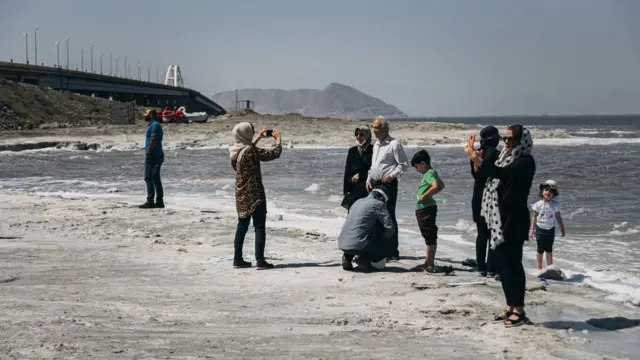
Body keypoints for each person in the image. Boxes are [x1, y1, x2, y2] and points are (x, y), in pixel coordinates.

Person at [464, 124, 536, 328]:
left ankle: (519, 310)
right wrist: (473, 159)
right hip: (498, 217)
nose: (507, 142)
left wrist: (473, 156)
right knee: (502, 264)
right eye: (505, 139)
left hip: (514, 219)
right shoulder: (504, 157)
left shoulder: (525, 161)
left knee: (513, 263)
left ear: (522, 141)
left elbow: (499, 174)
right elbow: (482, 175)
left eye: (511, 139)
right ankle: (510, 306)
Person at [230, 122, 283, 270]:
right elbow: (273, 153)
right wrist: (278, 139)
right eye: (251, 132)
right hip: (255, 193)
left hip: (241, 193)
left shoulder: (235, 151)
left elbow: (249, 148)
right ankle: (260, 260)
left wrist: (258, 138)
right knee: (259, 227)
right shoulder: (250, 151)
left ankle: (237, 259)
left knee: (242, 227)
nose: (253, 133)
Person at [365, 116, 409, 260]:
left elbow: (403, 165)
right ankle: (379, 248)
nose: (374, 130)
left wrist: (392, 175)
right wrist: (368, 178)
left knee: (388, 215)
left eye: (376, 127)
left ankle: (392, 251)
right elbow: (374, 165)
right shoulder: (376, 145)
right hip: (375, 183)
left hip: (388, 184)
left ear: (385, 128)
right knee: (375, 216)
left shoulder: (394, 144)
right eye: (373, 127)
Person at [338, 185, 395, 272]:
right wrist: (386, 244)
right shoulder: (378, 204)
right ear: (382, 199)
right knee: (381, 229)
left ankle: (347, 257)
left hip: (343, 243)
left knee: (358, 228)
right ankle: (365, 258)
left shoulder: (357, 201)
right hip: (359, 245)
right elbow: (389, 227)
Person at [471, 126, 501, 278]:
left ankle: (480, 266)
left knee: (481, 234)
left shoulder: (476, 154)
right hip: (491, 197)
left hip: (477, 196)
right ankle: (491, 268)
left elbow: (476, 175)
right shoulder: (497, 154)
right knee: (493, 234)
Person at [411, 149, 447, 273]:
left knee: (429, 236)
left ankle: (429, 264)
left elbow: (436, 186)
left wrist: (424, 196)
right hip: (427, 208)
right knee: (429, 236)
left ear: (423, 164)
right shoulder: (432, 172)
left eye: (417, 167)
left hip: (425, 208)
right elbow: (441, 185)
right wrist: (430, 195)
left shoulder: (429, 173)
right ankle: (428, 263)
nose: (417, 170)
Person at [530, 180, 565, 272]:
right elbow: (534, 217)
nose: (548, 192)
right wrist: (532, 229)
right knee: (540, 249)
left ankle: (550, 267)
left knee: (549, 250)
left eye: (551, 191)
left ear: (554, 195)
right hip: (540, 229)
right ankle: (539, 268)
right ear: (542, 191)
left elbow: (558, 217)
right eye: (546, 190)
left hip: (550, 229)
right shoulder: (537, 204)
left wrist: (562, 228)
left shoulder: (555, 205)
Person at [342, 125, 373, 211]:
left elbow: (376, 170)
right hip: (353, 190)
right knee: (352, 217)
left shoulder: (374, 150)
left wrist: (361, 175)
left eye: (361, 134)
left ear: (367, 135)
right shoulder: (352, 151)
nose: (358, 137)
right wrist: (346, 191)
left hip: (368, 189)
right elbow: (347, 171)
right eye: (356, 134)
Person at [139, 109, 164, 209]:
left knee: (148, 178)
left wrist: (148, 152)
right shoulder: (154, 125)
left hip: (153, 155)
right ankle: (159, 201)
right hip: (158, 154)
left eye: (146, 113)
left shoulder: (154, 125)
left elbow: (153, 139)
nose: (144, 115)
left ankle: (150, 201)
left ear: (151, 115)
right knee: (156, 178)